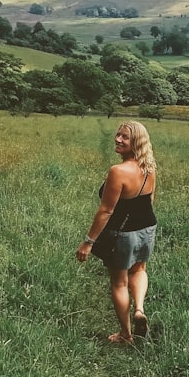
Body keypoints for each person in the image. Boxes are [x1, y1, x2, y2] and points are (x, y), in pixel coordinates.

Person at [75, 121, 157, 344]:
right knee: (139, 269)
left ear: (136, 142)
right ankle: (139, 309)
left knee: (119, 282)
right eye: (118, 135)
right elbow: (150, 199)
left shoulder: (118, 171)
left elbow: (106, 210)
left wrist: (88, 242)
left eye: (125, 137)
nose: (118, 139)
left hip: (123, 232)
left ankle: (126, 335)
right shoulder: (149, 167)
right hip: (148, 227)